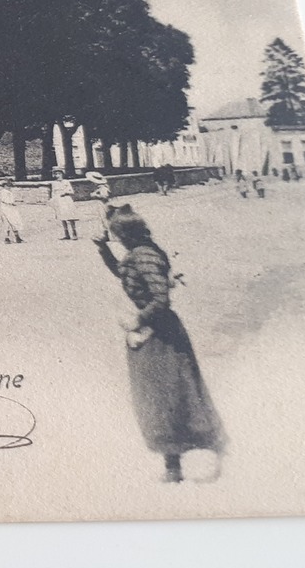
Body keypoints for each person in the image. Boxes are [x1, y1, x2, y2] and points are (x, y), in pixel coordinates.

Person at [93, 205, 225, 483]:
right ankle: (174, 464)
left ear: (124, 233)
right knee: (159, 399)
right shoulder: (137, 255)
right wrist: (103, 250)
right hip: (153, 335)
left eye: (114, 233)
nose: (112, 236)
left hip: (162, 336)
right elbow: (124, 272)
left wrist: (137, 320)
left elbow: (161, 300)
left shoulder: (145, 257)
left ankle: (196, 456)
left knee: (172, 396)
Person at [50, 169, 79, 240]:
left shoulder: (66, 182)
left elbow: (71, 191)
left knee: (70, 216)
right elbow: (53, 193)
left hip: (67, 199)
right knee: (62, 217)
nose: (57, 176)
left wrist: (65, 192)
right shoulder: (54, 183)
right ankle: (66, 234)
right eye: (56, 174)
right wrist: (53, 201)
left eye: (59, 174)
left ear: (62, 174)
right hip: (59, 201)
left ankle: (74, 233)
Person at [84, 170, 112, 240]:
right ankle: (106, 235)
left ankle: (109, 235)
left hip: (103, 204)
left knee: (104, 218)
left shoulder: (103, 188)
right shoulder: (100, 188)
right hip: (101, 204)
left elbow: (105, 196)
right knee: (102, 219)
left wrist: (95, 195)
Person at [0, 177, 24, 243]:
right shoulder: (3, 192)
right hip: (6, 208)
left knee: (14, 222)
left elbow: (12, 200)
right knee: (7, 224)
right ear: (4, 186)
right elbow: (5, 200)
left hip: (11, 208)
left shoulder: (10, 192)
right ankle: (6, 238)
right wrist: (11, 203)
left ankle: (17, 237)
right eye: (8, 185)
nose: (9, 187)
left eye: (10, 185)